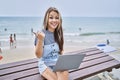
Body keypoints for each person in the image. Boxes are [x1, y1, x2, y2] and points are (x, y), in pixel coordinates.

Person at [34, 7, 69, 80]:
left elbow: (61, 52)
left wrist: (63, 63)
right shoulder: (41, 34)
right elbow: (38, 55)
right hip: (45, 63)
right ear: (46, 19)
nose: (54, 20)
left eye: (57, 18)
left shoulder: (59, 34)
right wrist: (40, 40)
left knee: (65, 72)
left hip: (57, 62)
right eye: (51, 17)